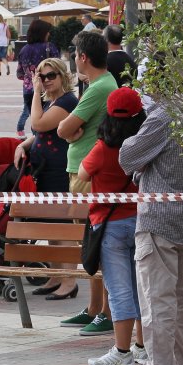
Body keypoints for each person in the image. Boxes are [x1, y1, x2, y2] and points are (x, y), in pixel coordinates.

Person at [117, 63, 183, 365]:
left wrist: (131, 137)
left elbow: (128, 157)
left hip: (158, 218)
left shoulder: (161, 117)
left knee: (157, 296)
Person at [57, 31, 118, 336]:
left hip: (89, 174)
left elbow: (63, 128)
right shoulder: (98, 85)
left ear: (82, 57)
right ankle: (95, 308)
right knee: (91, 244)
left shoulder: (100, 87)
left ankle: (106, 311)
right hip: (83, 171)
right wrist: (72, 132)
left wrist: (70, 131)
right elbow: (69, 130)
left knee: (99, 245)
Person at [84, 87, 146, 365]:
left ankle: (122, 351)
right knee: (141, 288)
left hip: (110, 227)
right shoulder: (144, 145)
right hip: (142, 222)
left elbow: (82, 175)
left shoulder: (103, 148)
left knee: (119, 289)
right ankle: (143, 347)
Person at [12, 57, 79, 298]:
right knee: (51, 229)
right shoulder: (52, 103)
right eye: (42, 77)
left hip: (59, 171)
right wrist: (24, 145)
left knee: (63, 229)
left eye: (51, 76)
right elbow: (39, 134)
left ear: (63, 76)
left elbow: (39, 124)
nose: (47, 80)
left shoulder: (67, 101)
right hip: (45, 171)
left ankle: (69, 281)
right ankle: (55, 276)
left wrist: (35, 92)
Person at [15, 19, 59, 136]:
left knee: (36, 121)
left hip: (29, 91)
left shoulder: (24, 50)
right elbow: (59, 68)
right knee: (49, 123)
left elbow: (20, 73)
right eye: (47, 31)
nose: (49, 34)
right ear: (42, 32)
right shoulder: (50, 47)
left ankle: (36, 143)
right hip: (48, 90)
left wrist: (31, 77)